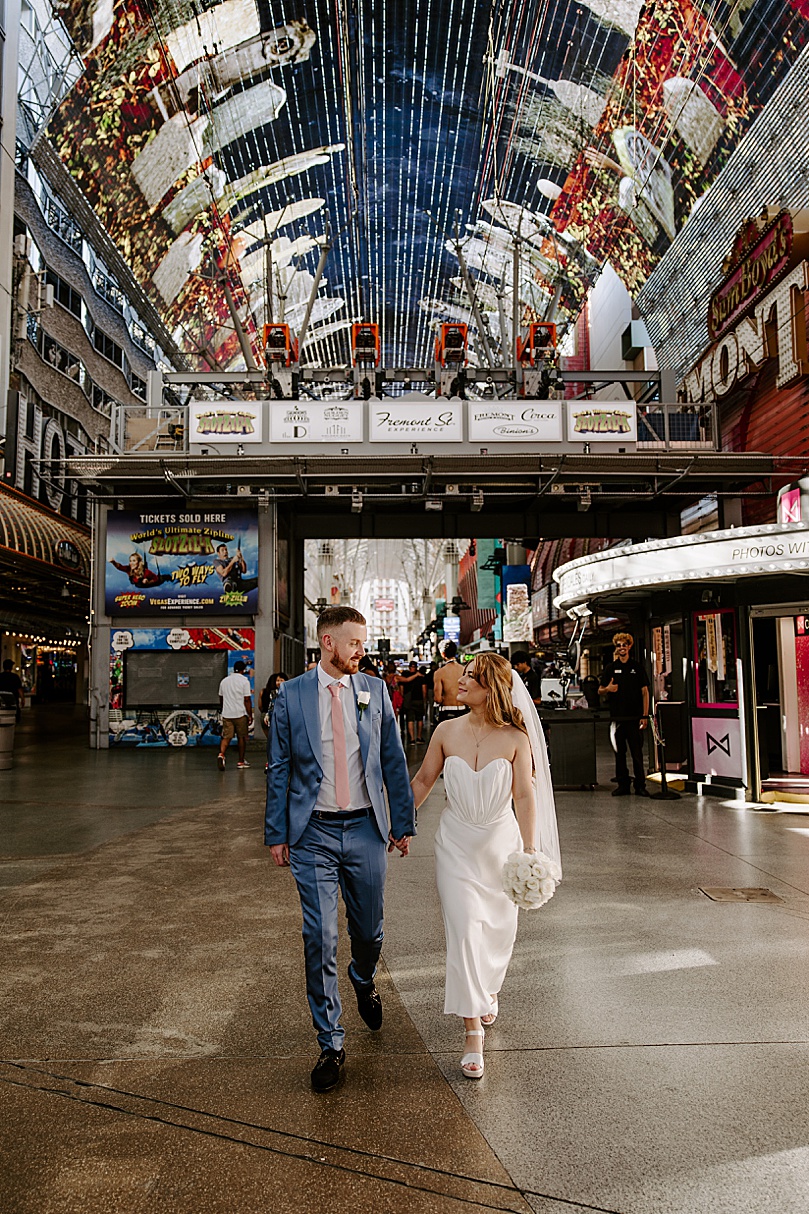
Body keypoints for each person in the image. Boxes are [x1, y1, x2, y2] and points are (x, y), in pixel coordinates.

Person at [265, 606, 416, 1093]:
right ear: (328, 643)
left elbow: (392, 757)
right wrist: (277, 832)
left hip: (367, 829)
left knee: (368, 930)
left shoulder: (374, 692)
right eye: (354, 642)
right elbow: (280, 767)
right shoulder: (291, 696)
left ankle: (363, 975)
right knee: (320, 935)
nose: (361, 651)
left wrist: (402, 822)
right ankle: (330, 1043)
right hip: (313, 834)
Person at [410, 652, 560, 1079]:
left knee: (497, 930)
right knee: (463, 930)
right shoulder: (445, 731)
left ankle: (486, 990)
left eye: (471, 677)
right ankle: (472, 1029)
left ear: (491, 688)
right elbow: (422, 781)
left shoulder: (515, 738)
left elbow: (526, 796)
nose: (461, 681)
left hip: (499, 845)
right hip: (455, 844)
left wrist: (530, 851)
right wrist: (398, 824)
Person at [598, 632, 650, 796]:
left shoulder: (637, 667)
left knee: (637, 753)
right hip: (617, 718)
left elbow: (645, 692)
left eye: (624, 645)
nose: (622, 648)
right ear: (616, 648)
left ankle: (640, 785)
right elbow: (600, 690)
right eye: (619, 645)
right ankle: (623, 784)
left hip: (635, 717)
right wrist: (608, 689)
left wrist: (645, 715)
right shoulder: (610, 668)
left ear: (629, 646)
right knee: (619, 753)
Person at [217, 659, 253, 770]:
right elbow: (246, 699)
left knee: (226, 737)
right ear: (243, 670)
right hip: (240, 714)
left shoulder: (224, 681)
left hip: (227, 714)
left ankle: (221, 754)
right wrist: (250, 714)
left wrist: (224, 708)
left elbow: (221, 697)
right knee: (241, 737)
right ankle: (241, 761)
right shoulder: (244, 682)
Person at [432, 641, 467, 724]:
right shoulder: (464, 670)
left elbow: (437, 699)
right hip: (462, 710)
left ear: (443, 654)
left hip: (446, 712)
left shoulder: (439, 673)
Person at [397, 660, 426, 744]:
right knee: (419, 719)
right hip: (419, 699)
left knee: (410, 719)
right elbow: (424, 690)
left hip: (409, 700)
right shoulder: (421, 677)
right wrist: (424, 700)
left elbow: (401, 689)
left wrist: (403, 697)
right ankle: (419, 737)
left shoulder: (404, 675)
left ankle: (412, 739)